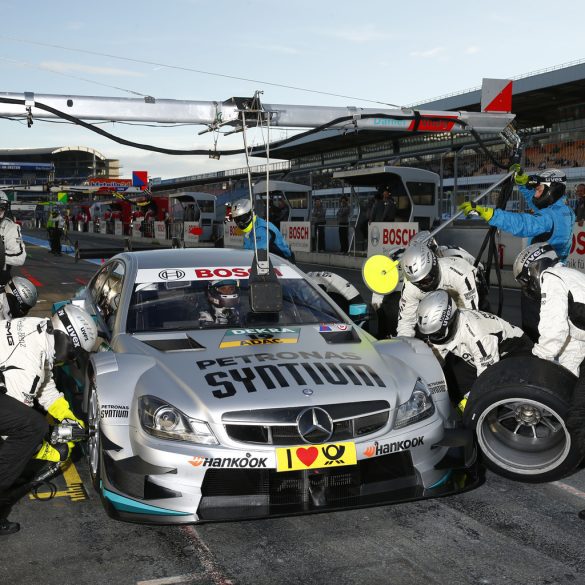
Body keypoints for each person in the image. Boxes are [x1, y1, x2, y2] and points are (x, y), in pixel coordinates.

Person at [0, 304, 98, 535]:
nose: (71, 358)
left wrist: (67, 415)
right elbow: (11, 431)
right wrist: (49, 450)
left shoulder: (39, 329)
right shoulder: (27, 366)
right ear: (66, 338)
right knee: (32, 428)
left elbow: (45, 385)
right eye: (73, 352)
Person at [459, 168, 575, 340]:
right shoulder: (564, 211)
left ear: (552, 189)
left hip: (540, 285)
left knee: (536, 334)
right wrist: (523, 185)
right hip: (554, 278)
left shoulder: (550, 217)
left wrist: (489, 213)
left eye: (539, 189)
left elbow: (523, 224)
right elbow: (538, 203)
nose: (536, 193)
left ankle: (538, 362)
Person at [415, 289, 532, 405]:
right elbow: (435, 360)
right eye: (429, 335)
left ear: (450, 322)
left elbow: (487, 380)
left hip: (515, 351)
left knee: (491, 395)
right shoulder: (447, 323)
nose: (432, 339)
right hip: (480, 353)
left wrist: (471, 404)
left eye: (437, 334)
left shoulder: (478, 335)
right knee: (451, 384)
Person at [513, 243, 585, 377]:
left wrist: (537, 358)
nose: (528, 288)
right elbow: (575, 345)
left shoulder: (551, 277)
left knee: (580, 396)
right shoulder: (568, 275)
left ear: (534, 268)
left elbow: (554, 327)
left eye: (526, 280)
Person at [396, 243, 479, 338]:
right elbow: (405, 322)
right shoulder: (410, 285)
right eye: (418, 282)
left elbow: (472, 317)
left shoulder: (460, 275)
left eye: (426, 279)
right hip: (438, 306)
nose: (424, 285)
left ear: (434, 267)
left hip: (466, 293)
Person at [0, 192, 26, 285]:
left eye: (0, 209)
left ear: (5, 209)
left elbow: (19, 257)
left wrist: (1, 256)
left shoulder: (11, 227)